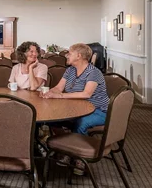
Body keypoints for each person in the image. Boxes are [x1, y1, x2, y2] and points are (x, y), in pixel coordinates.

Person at [42, 43, 109, 175]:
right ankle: (67, 150)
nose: (67, 55)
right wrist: (50, 92)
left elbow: (86, 94)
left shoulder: (93, 72)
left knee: (81, 124)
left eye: (70, 53)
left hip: (99, 110)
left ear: (79, 56)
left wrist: (60, 96)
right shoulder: (70, 70)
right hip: (75, 109)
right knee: (52, 121)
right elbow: (59, 87)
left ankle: (79, 158)